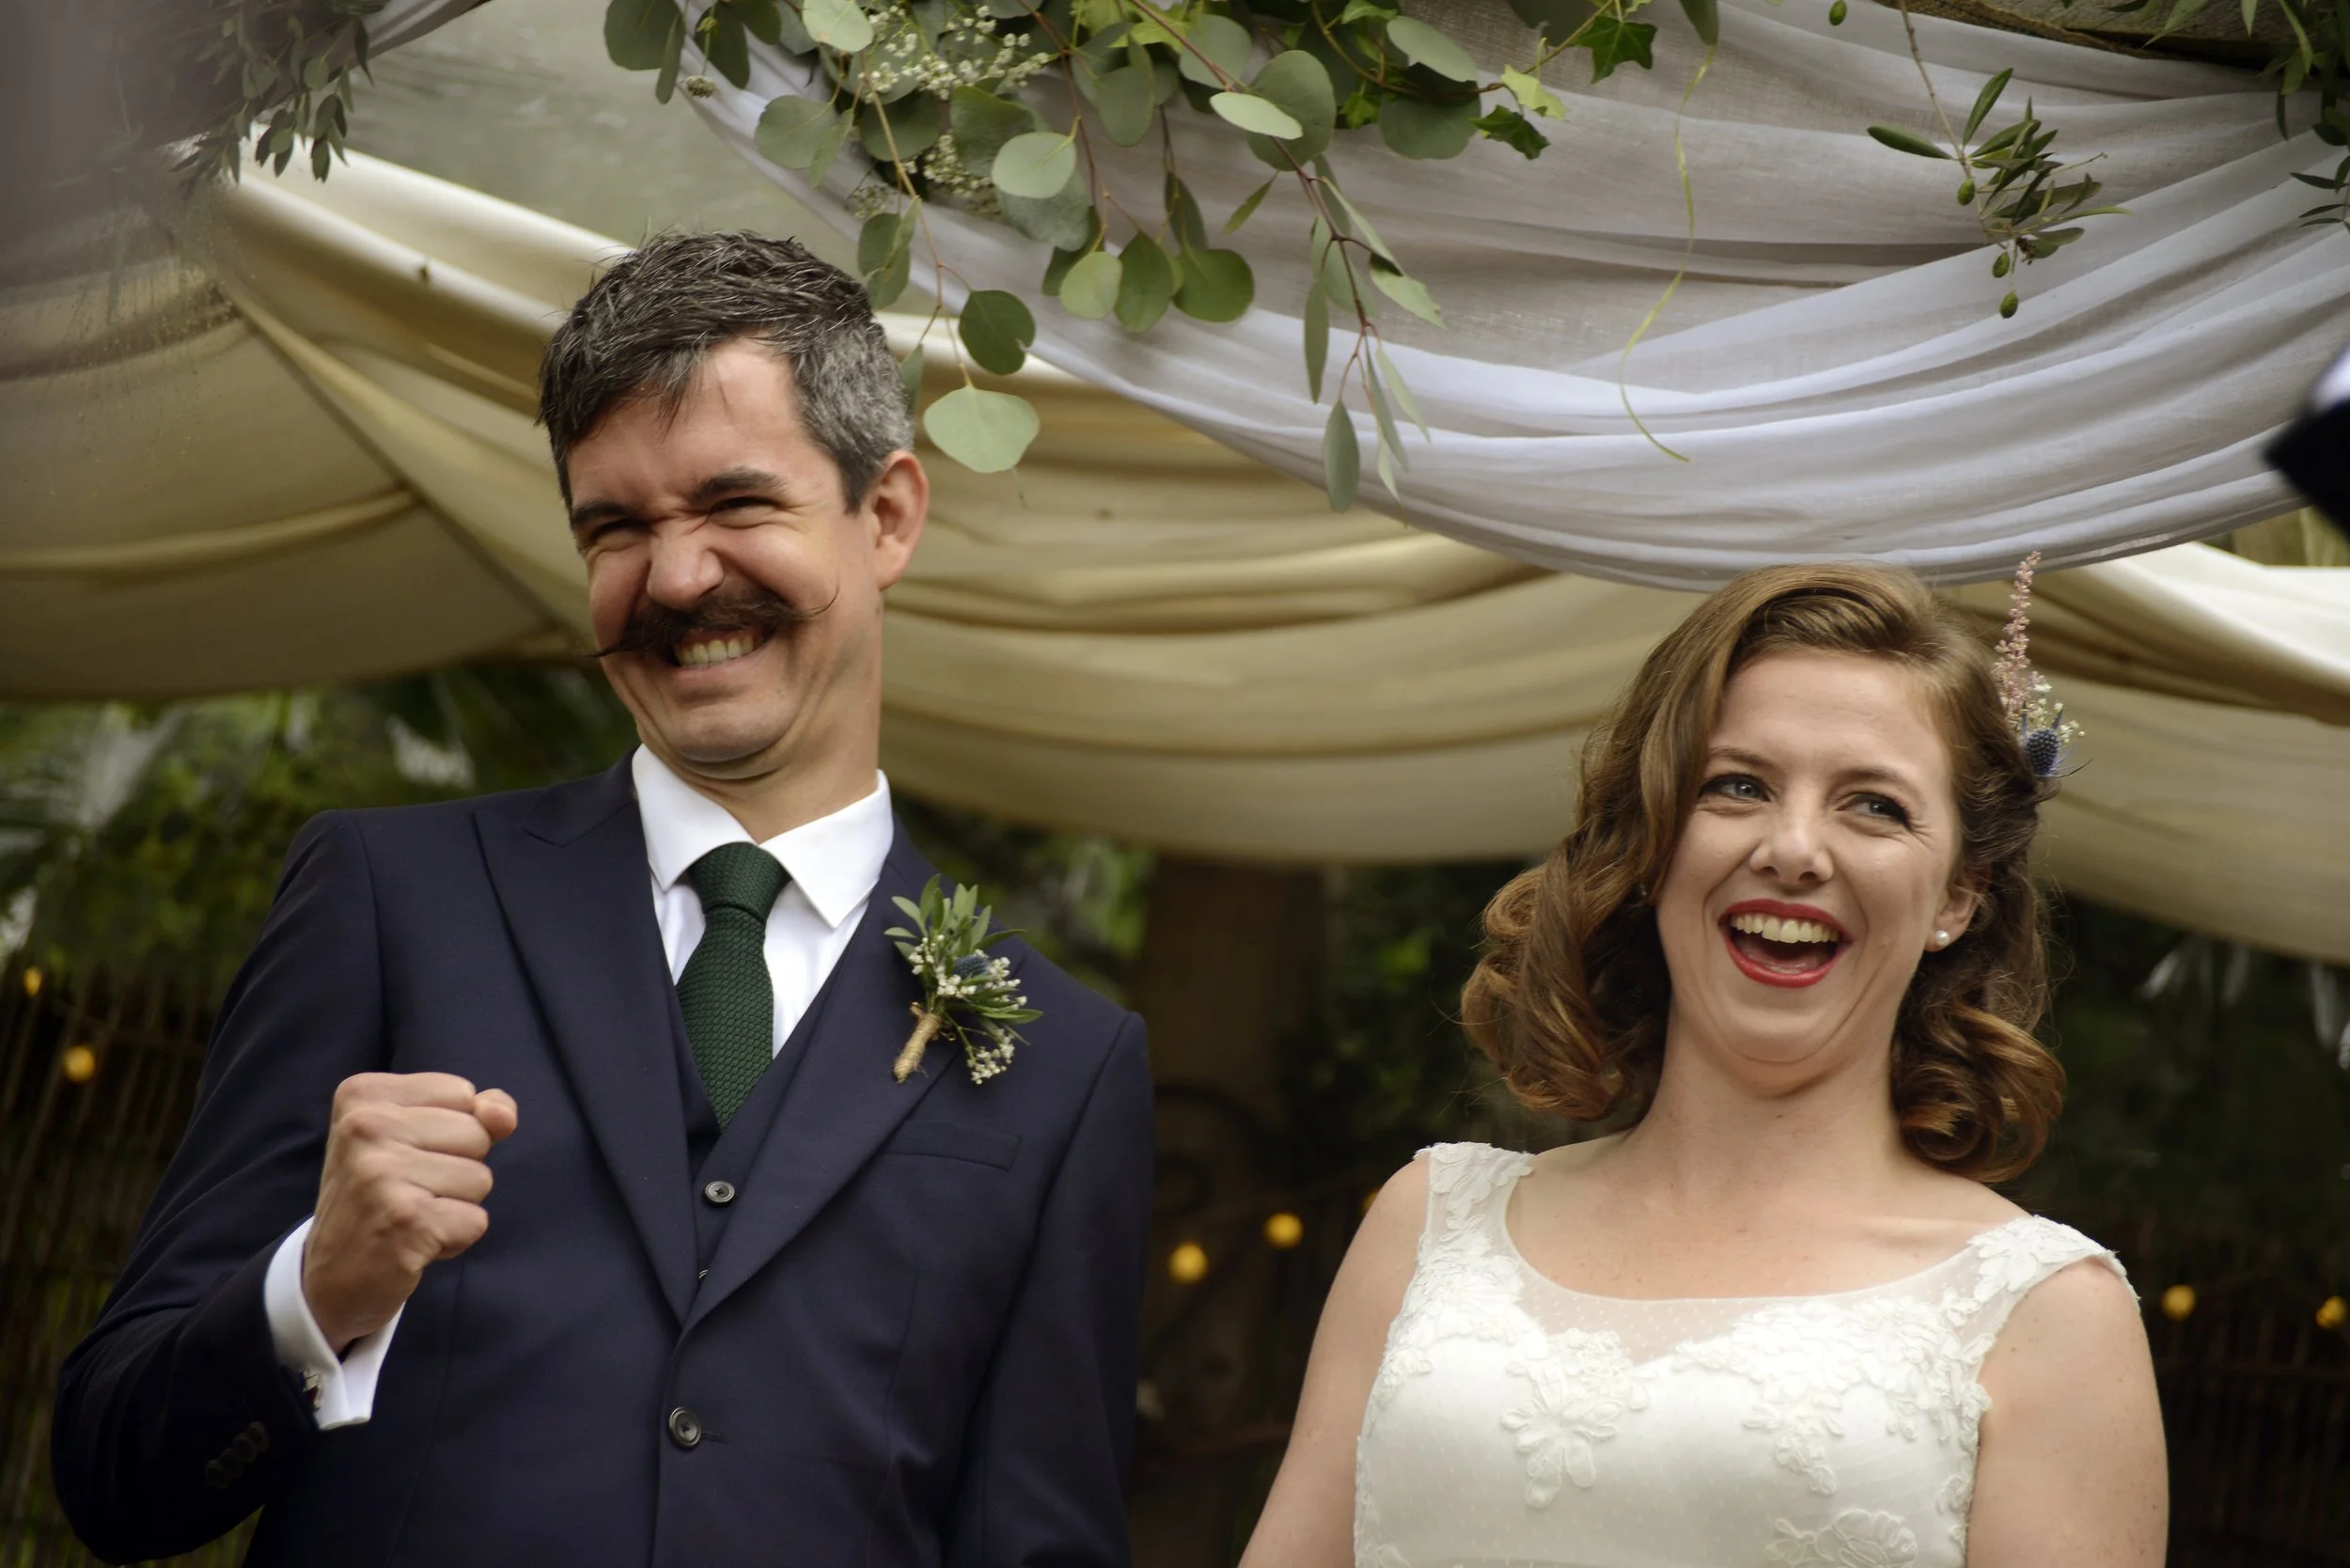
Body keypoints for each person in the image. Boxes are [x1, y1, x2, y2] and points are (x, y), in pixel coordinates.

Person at [53, 232, 1155, 1567]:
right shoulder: (388, 897)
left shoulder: (1067, 1058)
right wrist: (317, 1289)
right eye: (618, 528)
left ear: (887, 516)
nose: (678, 579)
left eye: (736, 505)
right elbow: (114, 1479)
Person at [1241, 563, 2166, 1568]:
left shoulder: (2046, 1315)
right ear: (1654, 840)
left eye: (1874, 807)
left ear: (1957, 896)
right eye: (1738, 785)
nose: (1794, 847)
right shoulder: (1429, 1228)